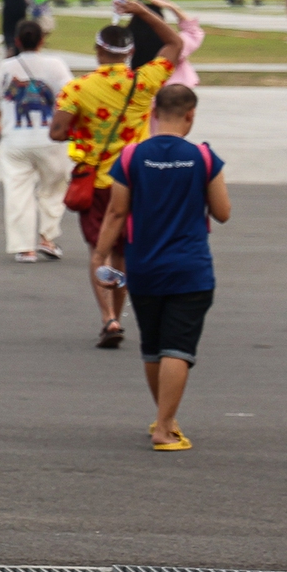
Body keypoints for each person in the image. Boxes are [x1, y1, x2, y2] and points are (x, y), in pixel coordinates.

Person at [90, 84, 231, 451]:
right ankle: (164, 428)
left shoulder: (131, 156)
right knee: (178, 347)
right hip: (190, 267)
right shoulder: (202, 157)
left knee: (153, 347)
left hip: (144, 267)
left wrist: (99, 255)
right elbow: (223, 212)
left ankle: (164, 417)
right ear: (191, 115)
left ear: (153, 113)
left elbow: (117, 212)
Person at [49, 0, 182, 348]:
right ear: (131, 52)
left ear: (97, 51)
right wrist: (142, 12)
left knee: (99, 251)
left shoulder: (76, 89)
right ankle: (118, 316)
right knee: (124, 254)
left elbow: (57, 132)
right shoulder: (144, 81)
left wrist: (83, 130)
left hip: (97, 184)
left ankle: (107, 317)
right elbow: (175, 44)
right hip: (135, 181)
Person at [0, 19, 71, 263]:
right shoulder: (56, 65)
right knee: (54, 188)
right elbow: (70, 97)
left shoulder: (5, 67)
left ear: (16, 41)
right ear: (42, 40)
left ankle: (25, 247)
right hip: (50, 139)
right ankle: (47, 236)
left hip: (15, 141)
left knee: (17, 192)